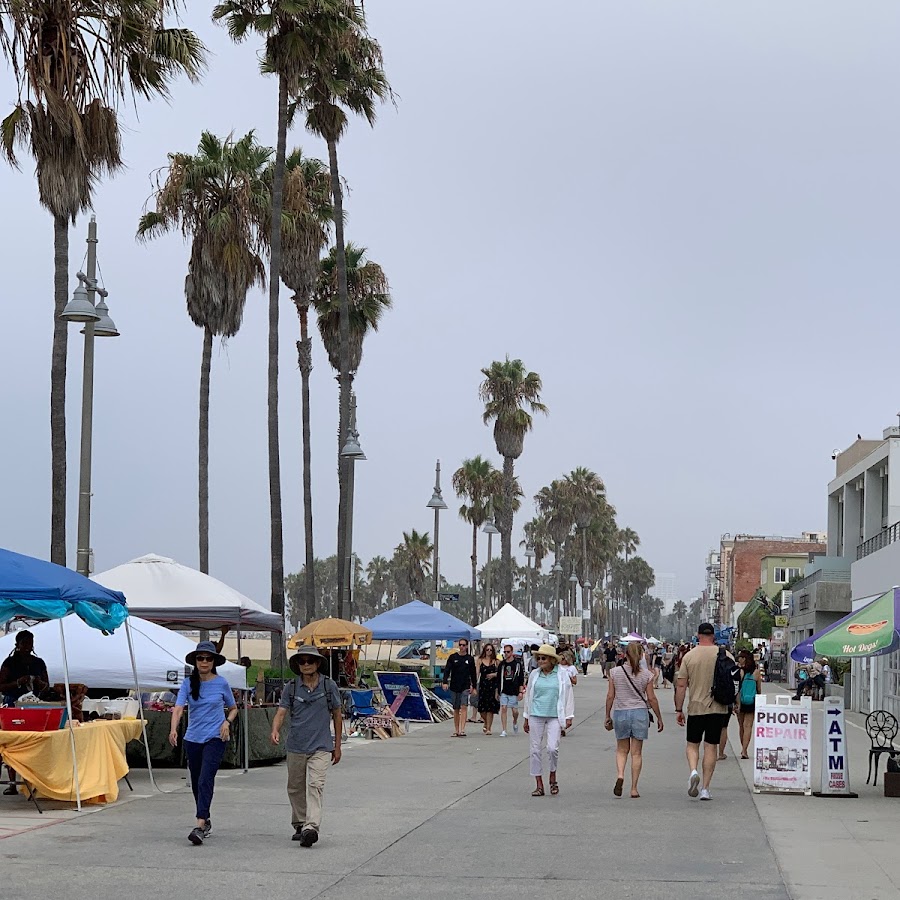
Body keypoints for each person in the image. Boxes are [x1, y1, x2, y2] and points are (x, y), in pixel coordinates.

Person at [271, 645, 342, 847]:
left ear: (318, 663)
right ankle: (300, 824)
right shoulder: (291, 688)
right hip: (296, 745)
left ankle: (311, 827)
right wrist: (275, 729)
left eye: (310, 661)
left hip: (321, 746)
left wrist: (337, 745)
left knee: (315, 785)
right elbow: (281, 712)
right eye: (302, 661)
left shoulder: (329, 686)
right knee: (295, 787)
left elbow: (337, 715)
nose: (306, 665)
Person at [169, 641, 238, 844]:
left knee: (205, 779)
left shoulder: (222, 683)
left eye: (208, 658)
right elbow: (179, 708)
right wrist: (173, 728)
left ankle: (199, 825)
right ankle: (205, 817)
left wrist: (227, 722)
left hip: (215, 737)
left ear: (214, 661)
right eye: (201, 658)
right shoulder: (188, 684)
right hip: (193, 738)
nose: (204, 662)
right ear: (196, 661)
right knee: (196, 780)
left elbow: (233, 707)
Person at [674, 623, 734, 801]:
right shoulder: (725, 655)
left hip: (696, 707)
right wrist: (735, 703)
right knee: (711, 746)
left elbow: (681, 685)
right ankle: (705, 788)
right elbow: (734, 682)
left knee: (692, 744)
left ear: (698, 635)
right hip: (718, 707)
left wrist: (679, 709)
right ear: (713, 636)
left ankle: (693, 771)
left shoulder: (689, 656)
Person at [605, 641, 663, 798]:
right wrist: (659, 717)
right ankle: (634, 789)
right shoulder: (647, 675)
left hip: (621, 713)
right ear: (642, 655)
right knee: (636, 753)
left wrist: (607, 715)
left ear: (625, 654)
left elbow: (610, 695)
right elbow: (651, 698)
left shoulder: (615, 672)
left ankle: (620, 775)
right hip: (639, 713)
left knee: (622, 750)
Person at [0, 631, 50, 795]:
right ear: (18, 644)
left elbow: (46, 686)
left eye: (30, 643)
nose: (28, 646)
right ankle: (13, 783)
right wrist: (18, 682)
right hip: (13, 703)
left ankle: (35, 780)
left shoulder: (38, 663)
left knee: (34, 741)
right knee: (12, 743)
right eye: (25, 643)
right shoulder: (10, 662)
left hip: (33, 703)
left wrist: (38, 682)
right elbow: (1, 686)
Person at [523, 644, 574, 797]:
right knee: (535, 749)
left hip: (554, 715)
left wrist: (568, 715)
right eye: (538, 658)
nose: (540, 661)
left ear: (552, 660)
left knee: (552, 748)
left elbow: (568, 694)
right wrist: (526, 717)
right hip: (536, 714)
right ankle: (539, 784)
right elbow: (529, 696)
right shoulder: (534, 674)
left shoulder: (561, 674)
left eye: (543, 658)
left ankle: (552, 776)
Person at [441, 639, 477, 737]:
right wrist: (444, 682)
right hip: (454, 686)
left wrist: (474, 687)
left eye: (463, 645)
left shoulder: (469, 659)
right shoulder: (453, 657)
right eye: (460, 645)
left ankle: (462, 729)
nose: (461, 647)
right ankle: (456, 729)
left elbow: (473, 673)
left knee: (464, 706)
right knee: (456, 709)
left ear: (466, 646)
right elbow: (447, 670)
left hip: (465, 686)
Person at [736, 649, 762, 759]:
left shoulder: (740, 672)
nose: (739, 660)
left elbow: (737, 689)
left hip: (740, 702)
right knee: (748, 727)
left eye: (740, 658)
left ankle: (743, 747)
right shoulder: (756, 673)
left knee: (741, 726)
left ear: (744, 659)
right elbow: (759, 689)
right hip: (752, 702)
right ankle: (744, 750)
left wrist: (736, 703)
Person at [497, 644, 526, 736]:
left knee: (515, 711)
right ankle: (504, 730)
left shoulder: (517, 664)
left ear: (512, 652)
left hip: (514, 690)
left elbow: (521, 679)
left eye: (508, 652)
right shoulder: (502, 664)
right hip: (503, 689)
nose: (506, 654)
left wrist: (521, 692)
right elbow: (498, 678)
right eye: (505, 652)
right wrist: (497, 691)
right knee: (504, 708)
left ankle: (515, 721)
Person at [476, 644, 500, 735]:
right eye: (487, 650)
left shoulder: (496, 661)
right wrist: (473, 685)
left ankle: (489, 727)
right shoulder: (480, 660)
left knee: (490, 708)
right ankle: (486, 722)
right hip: (483, 686)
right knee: (482, 709)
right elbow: (477, 673)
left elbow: (501, 673)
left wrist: (494, 674)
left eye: (490, 650)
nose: (489, 651)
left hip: (493, 686)